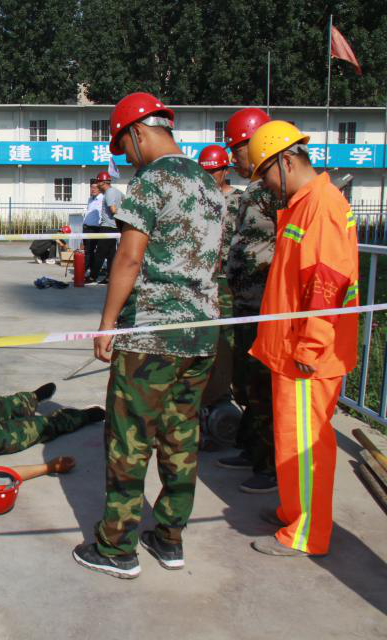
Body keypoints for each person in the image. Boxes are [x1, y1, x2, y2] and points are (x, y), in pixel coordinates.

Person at [74, 92, 225, 580]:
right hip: (200, 335)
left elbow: (130, 256)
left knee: (129, 439)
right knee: (181, 436)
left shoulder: (150, 181)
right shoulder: (209, 184)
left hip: (151, 336)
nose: (125, 158)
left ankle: (116, 547)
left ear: (138, 132)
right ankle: (169, 537)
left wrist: (107, 323)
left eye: (124, 147)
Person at [246, 121, 359, 557]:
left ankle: (307, 533)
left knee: (306, 445)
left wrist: (310, 347)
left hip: (307, 354)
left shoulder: (321, 205)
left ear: (285, 161)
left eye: (265, 174)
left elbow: (326, 282)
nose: (266, 185)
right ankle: (294, 511)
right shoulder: (305, 204)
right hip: (293, 350)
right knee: (291, 440)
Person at [219, 107, 282, 495]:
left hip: (266, 307)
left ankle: (270, 465)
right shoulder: (253, 193)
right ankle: (251, 447)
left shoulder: (277, 190)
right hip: (245, 304)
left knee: (264, 386)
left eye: (237, 150)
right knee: (246, 383)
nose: (234, 159)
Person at [197, 144, 242, 415]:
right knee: (206, 335)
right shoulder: (197, 200)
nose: (209, 177)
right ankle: (210, 391)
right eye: (204, 172)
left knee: (227, 338)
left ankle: (226, 389)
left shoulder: (240, 201)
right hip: (203, 278)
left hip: (228, 279)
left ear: (225, 170)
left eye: (213, 172)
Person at [91, 172, 122, 284]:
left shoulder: (108, 193)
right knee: (111, 255)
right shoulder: (116, 191)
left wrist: (121, 217)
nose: (96, 184)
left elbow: (113, 210)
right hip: (114, 227)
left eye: (98, 182)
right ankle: (109, 277)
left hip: (107, 227)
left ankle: (92, 276)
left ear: (103, 182)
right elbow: (126, 200)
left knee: (100, 254)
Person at [82, 178, 104, 275]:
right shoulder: (90, 199)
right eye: (91, 187)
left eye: (95, 187)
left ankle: (88, 270)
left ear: (99, 189)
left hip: (95, 228)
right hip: (86, 227)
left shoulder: (102, 198)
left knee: (92, 250)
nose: (93, 189)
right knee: (87, 250)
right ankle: (89, 269)